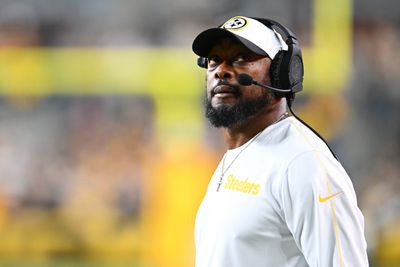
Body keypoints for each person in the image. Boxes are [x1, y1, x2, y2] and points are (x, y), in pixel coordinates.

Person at [191, 15, 369, 267]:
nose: (222, 70)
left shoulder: (303, 163)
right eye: (214, 61)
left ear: (282, 73)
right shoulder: (240, 153)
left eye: (241, 59)